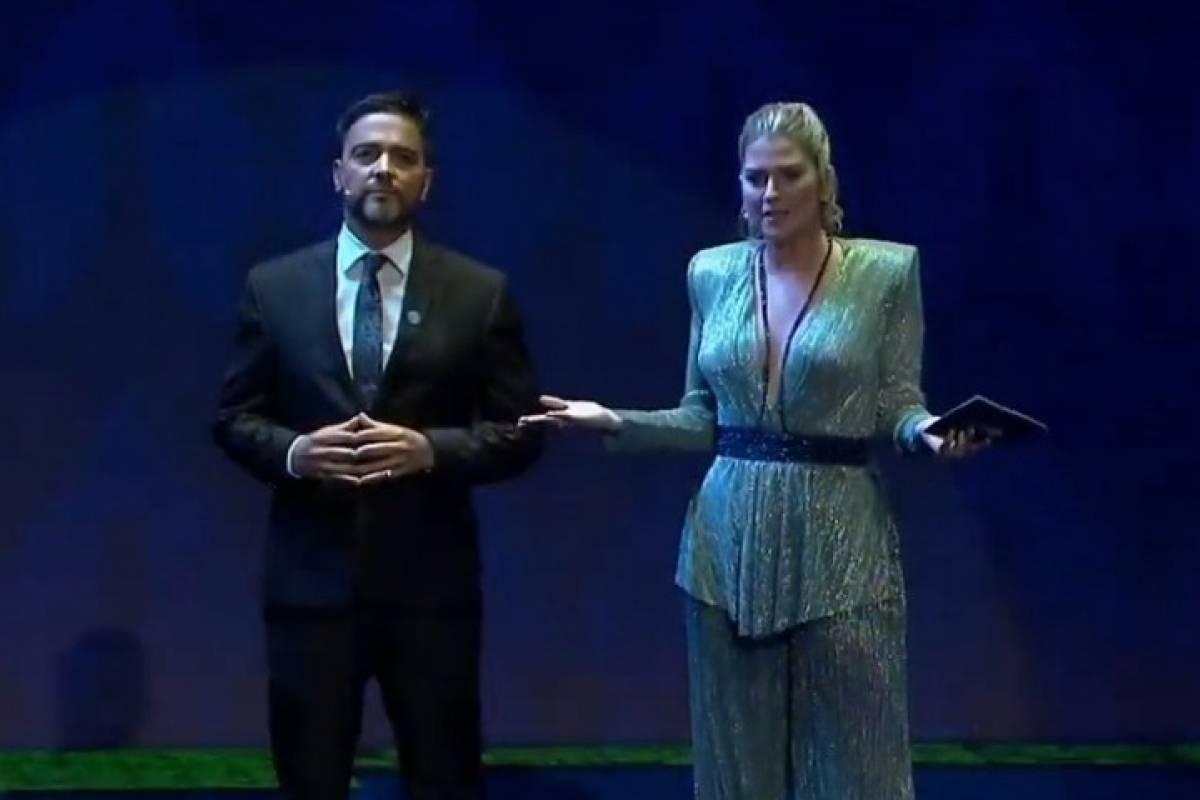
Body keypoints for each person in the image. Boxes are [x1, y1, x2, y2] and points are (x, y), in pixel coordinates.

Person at [521, 101, 987, 799]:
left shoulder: (885, 273)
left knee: (855, 763)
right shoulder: (711, 274)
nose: (770, 193)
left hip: (841, 543)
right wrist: (613, 419)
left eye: (788, 175)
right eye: (754, 178)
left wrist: (926, 432)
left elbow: (895, 401)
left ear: (822, 180)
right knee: (736, 768)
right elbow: (701, 418)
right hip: (726, 545)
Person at [213, 91, 543, 800]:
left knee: (444, 778)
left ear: (427, 180)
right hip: (310, 588)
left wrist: (432, 450)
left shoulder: (479, 293)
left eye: (403, 157)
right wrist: (296, 454)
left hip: (431, 592)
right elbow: (235, 419)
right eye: (367, 155)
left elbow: (520, 434)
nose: (384, 168)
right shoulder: (273, 288)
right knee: (310, 780)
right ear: (338, 174)